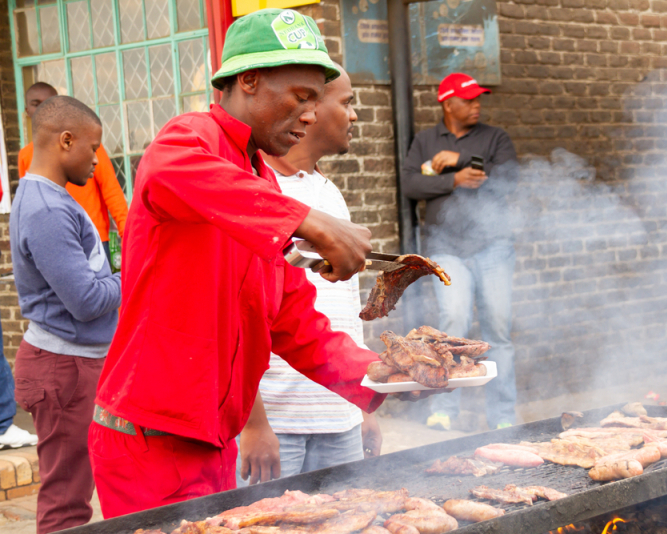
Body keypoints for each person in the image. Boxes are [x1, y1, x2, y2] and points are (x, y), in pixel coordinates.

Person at [89, 9, 428, 518]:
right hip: (150, 443)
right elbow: (166, 171)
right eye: (301, 97)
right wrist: (310, 221)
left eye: (318, 98)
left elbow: (295, 322)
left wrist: (383, 376)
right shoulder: (192, 137)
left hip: (212, 442)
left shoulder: (262, 187)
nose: (312, 115)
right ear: (248, 81)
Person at [237, 64, 382, 486]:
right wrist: (252, 424)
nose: (354, 115)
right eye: (347, 102)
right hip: (277, 424)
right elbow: (235, 317)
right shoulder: (254, 189)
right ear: (310, 107)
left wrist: (362, 408)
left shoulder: (329, 194)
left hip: (339, 416)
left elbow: (346, 312)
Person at [10, 96, 121, 533]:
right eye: (92, 149)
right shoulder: (48, 209)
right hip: (64, 369)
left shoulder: (48, 198)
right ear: (65, 140)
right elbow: (87, 300)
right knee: (66, 501)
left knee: (77, 487)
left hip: (74, 362)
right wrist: (133, 274)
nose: (97, 160)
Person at [401, 72, 519, 431]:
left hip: (493, 247)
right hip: (447, 250)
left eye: (477, 99)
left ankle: (502, 418)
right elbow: (409, 184)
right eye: (468, 100)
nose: (476, 105)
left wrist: (461, 157)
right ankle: (445, 412)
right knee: (452, 328)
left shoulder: (494, 137)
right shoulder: (425, 141)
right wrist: (452, 178)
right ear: (447, 103)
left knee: (497, 333)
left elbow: (509, 176)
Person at [18, 82, 128, 262]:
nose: (43, 109)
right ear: (27, 110)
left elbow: (112, 192)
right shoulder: (26, 155)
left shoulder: (89, 148)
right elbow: (29, 203)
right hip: (55, 243)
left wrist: (128, 236)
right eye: (36, 104)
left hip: (94, 239)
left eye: (50, 103)